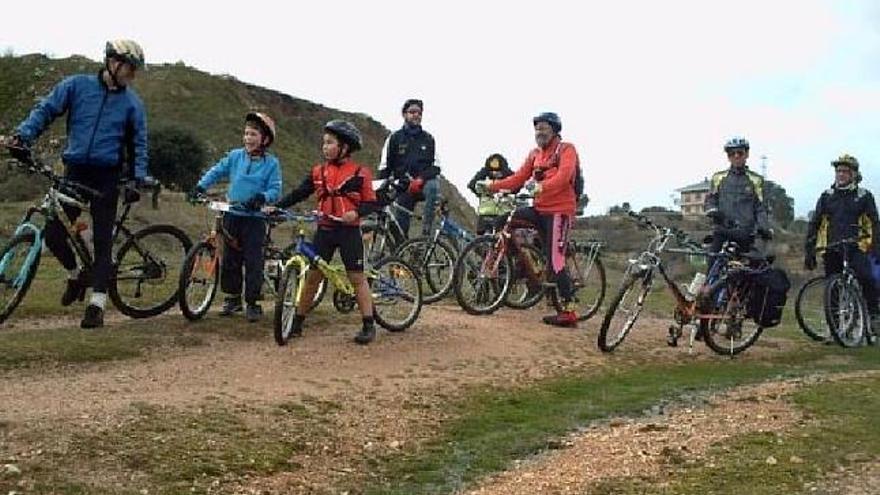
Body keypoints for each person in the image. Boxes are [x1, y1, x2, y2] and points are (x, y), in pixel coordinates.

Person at [9, 39, 150, 329]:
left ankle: (97, 304)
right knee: (53, 233)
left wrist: (137, 179)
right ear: (113, 62)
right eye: (130, 69)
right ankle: (75, 275)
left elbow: (139, 144)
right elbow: (46, 111)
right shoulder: (76, 86)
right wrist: (23, 136)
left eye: (135, 71)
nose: (132, 76)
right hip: (74, 170)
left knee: (101, 240)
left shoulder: (132, 104)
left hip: (107, 176)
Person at [276, 120, 380, 344]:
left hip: (349, 232)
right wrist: (277, 207)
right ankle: (297, 322)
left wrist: (356, 213)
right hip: (325, 229)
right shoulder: (318, 171)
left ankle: (368, 324)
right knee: (313, 277)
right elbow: (299, 193)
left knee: (357, 278)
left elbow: (372, 203)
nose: (324, 147)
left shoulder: (360, 173)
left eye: (330, 143)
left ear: (344, 148)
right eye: (324, 142)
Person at [477, 112, 580, 327]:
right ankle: (519, 265)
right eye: (537, 128)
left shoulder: (566, 149)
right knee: (504, 221)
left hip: (560, 211)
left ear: (554, 130)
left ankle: (569, 311)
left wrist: (542, 186)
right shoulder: (535, 154)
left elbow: (564, 176)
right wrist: (490, 186)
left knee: (555, 260)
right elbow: (518, 178)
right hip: (539, 209)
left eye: (544, 128)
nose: (539, 132)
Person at [190, 112, 282, 322]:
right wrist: (200, 186)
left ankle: (253, 302)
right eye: (246, 133)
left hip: (255, 218)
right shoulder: (235, 156)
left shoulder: (271, 164)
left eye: (254, 134)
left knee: (253, 260)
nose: (248, 138)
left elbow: (275, 189)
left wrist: (262, 197)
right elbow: (216, 171)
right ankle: (233, 298)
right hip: (232, 213)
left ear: (265, 139)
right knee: (230, 258)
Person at [804, 154, 880, 334]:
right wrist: (810, 250)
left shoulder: (864, 196)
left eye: (845, 171)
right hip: (832, 247)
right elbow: (815, 223)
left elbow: (875, 223)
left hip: (857, 246)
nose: (841, 174)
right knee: (833, 289)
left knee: (867, 278)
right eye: (838, 171)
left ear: (854, 174)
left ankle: (873, 315)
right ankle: (835, 326)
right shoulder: (827, 196)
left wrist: (876, 247)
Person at [378, 98, 440, 237]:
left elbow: (436, 167)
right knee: (400, 226)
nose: (416, 115)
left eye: (419, 112)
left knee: (434, 186)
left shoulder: (429, 139)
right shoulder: (394, 138)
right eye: (412, 112)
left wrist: (421, 179)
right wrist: (383, 186)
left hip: (423, 184)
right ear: (404, 114)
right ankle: (402, 250)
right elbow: (384, 166)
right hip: (403, 185)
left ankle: (426, 233)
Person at [704, 136, 772, 254]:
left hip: (746, 232)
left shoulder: (756, 180)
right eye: (732, 153)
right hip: (723, 230)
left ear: (746, 154)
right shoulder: (718, 178)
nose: (736, 156)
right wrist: (712, 210)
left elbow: (761, 208)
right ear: (728, 156)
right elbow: (711, 199)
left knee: (752, 266)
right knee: (713, 262)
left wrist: (763, 227)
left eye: (740, 153)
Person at [468, 153, 514, 235]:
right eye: (492, 171)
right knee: (483, 242)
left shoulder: (508, 176)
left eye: (498, 171)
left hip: (499, 215)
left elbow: (518, 184)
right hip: (489, 214)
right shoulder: (484, 175)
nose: (495, 173)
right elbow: (471, 185)